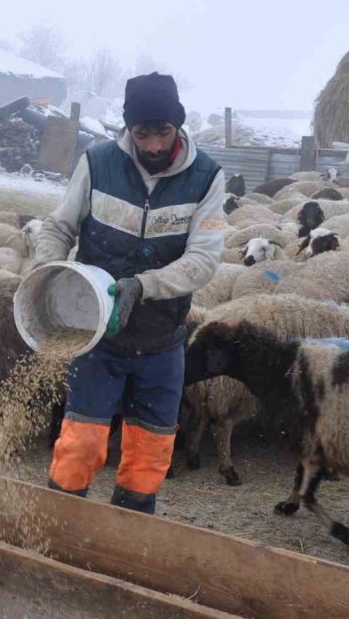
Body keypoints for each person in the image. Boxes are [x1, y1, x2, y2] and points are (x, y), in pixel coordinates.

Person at [31, 72, 227, 514]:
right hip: (96, 335)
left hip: (162, 342)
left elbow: (204, 259)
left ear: (178, 125)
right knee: (80, 445)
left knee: (150, 454)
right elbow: (59, 225)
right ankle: (59, 533)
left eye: (163, 132)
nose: (154, 146)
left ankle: (125, 541)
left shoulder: (207, 177)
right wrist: (45, 270)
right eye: (142, 133)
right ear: (128, 128)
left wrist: (146, 286)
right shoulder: (98, 163)